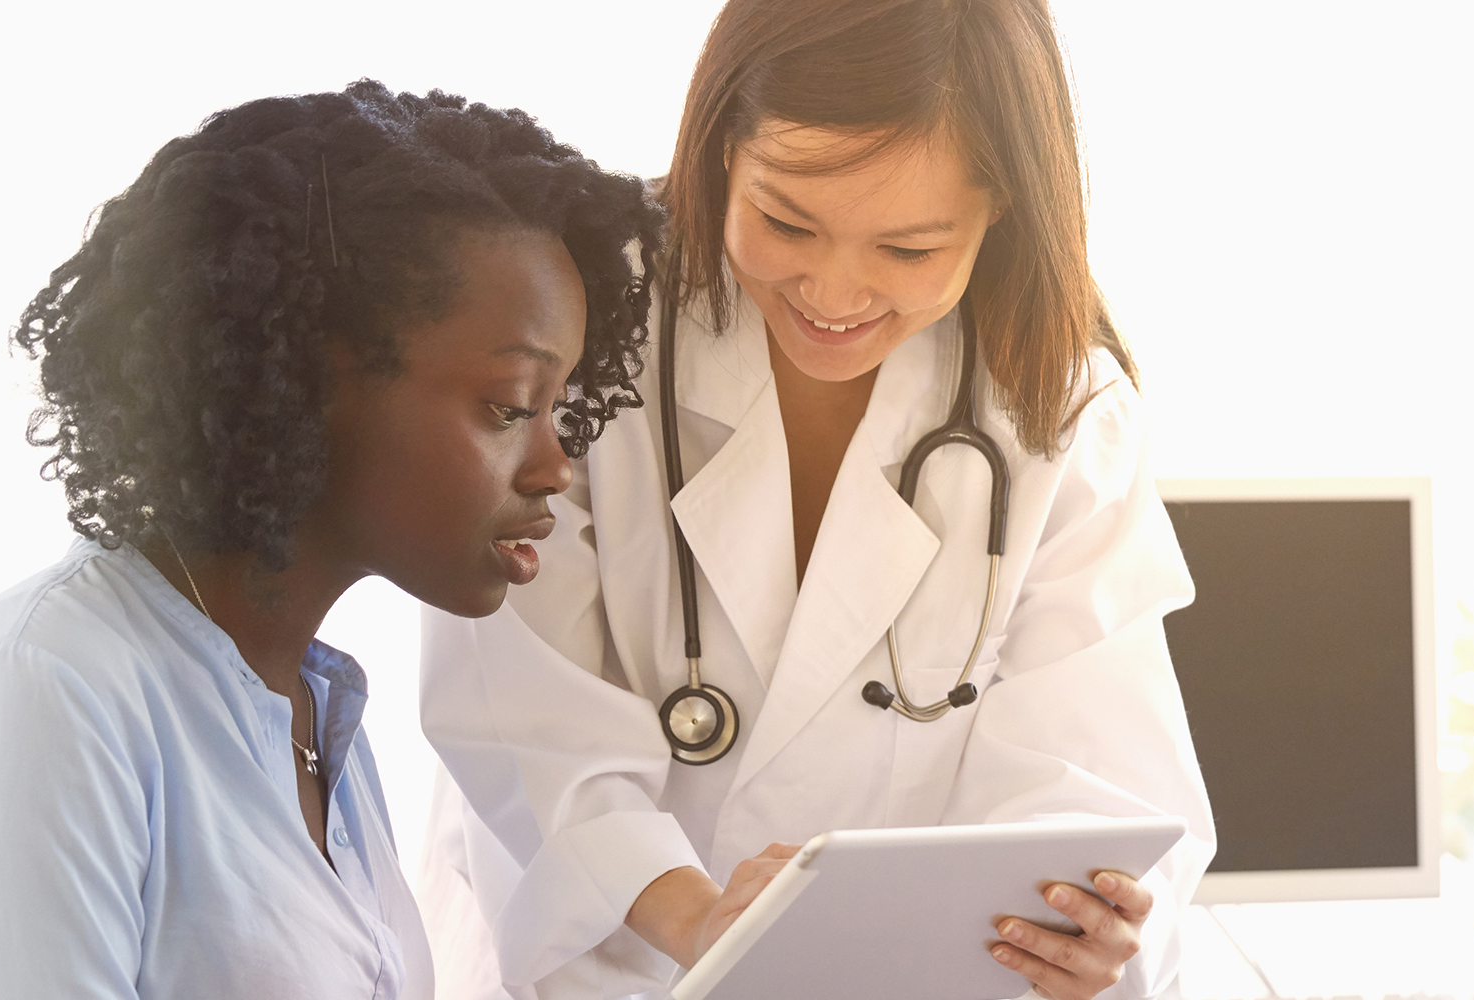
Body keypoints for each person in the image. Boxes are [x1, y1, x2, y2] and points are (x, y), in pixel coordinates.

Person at [414, 1, 1216, 997]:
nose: (834, 295)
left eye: (910, 251)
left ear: (1002, 206)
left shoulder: (1056, 405)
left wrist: (1084, 924)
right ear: (719, 152)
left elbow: (1092, 774)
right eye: (786, 221)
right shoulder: (575, 321)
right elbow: (517, 711)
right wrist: (693, 910)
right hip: (607, 971)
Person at [0, 80, 665, 999]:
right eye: (510, 407)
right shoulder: (42, 691)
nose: (554, 466)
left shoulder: (318, 718)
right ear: (311, 378)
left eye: (558, 409)